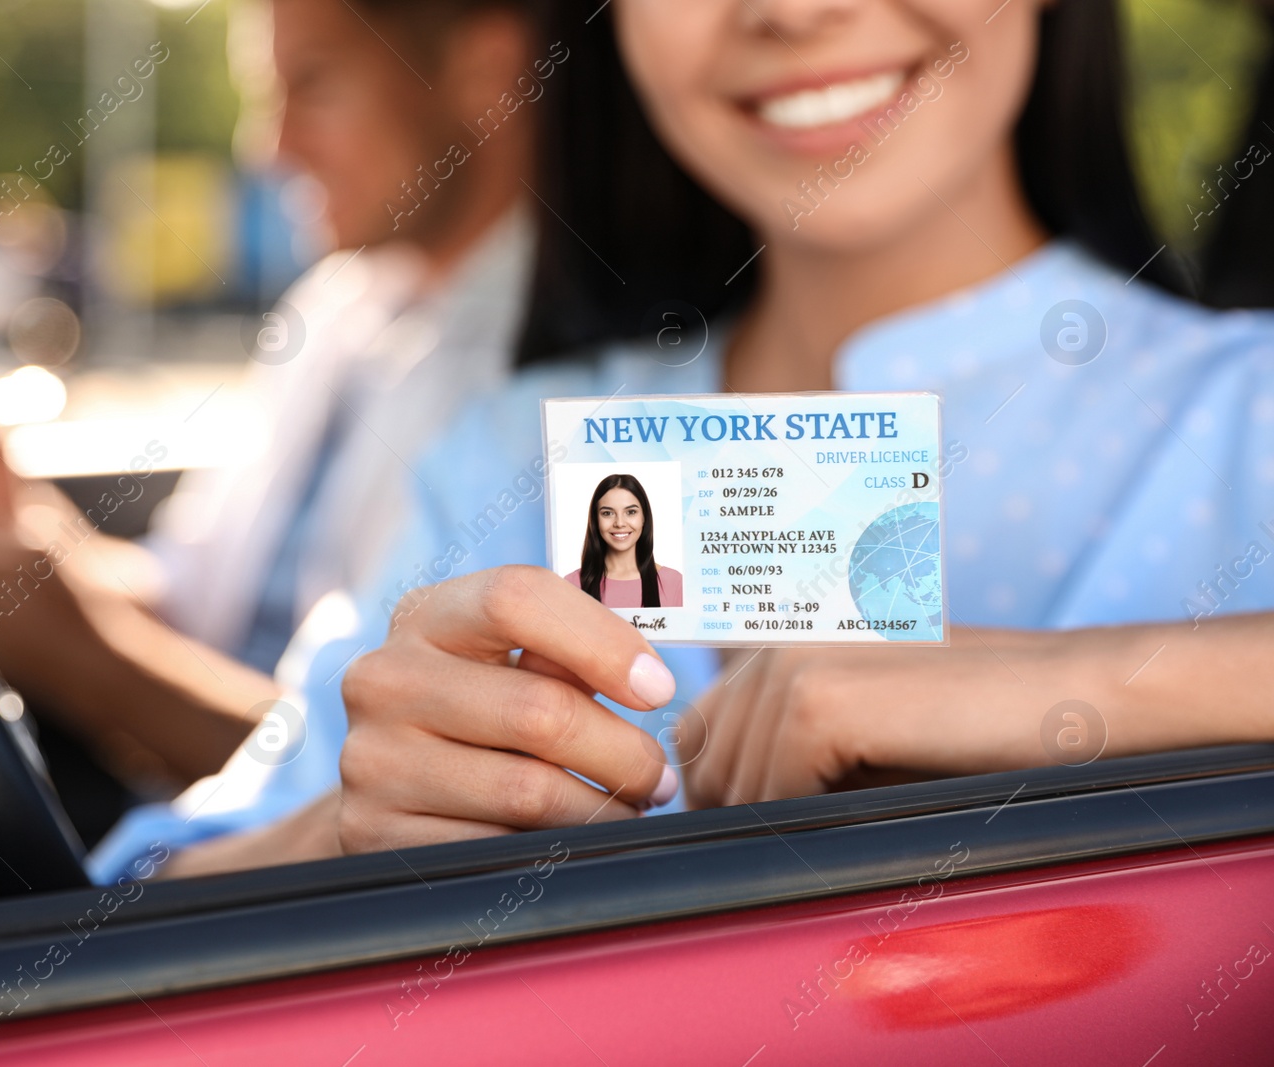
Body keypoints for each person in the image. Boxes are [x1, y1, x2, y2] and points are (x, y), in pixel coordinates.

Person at [122, 0, 1274, 873]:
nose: (791, 11)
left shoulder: (1250, 411)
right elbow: (133, 904)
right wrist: (345, 832)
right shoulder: (505, 452)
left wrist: (1077, 690)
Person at [0, 0, 545, 839]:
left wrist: (91, 661)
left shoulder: (546, 378)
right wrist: (20, 524)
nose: (266, 146)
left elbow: (393, 775)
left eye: (314, 84)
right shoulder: (340, 306)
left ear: (486, 70)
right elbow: (198, 597)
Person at [565, 474, 682, 608]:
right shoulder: (572, 585)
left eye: (631, 512)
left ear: (644, 518)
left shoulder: (674, 582)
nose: (619, 523)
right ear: (596, 520)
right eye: (607, 513)